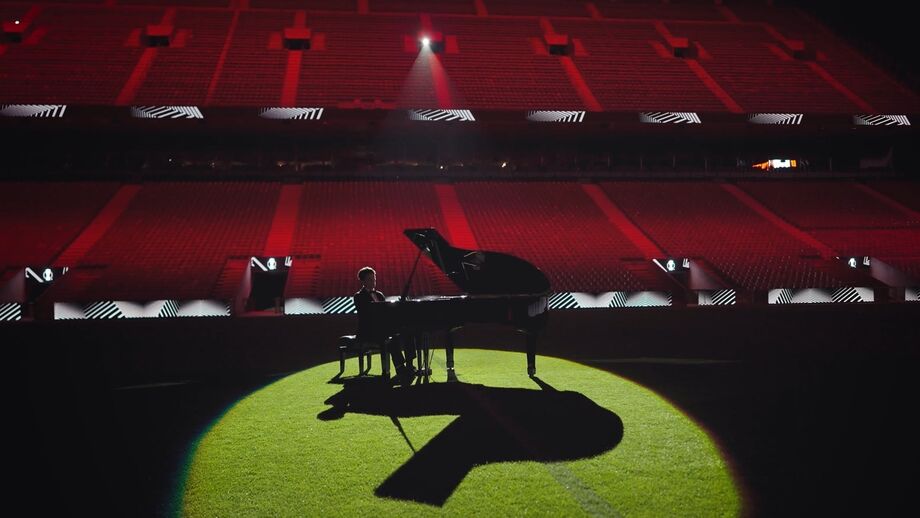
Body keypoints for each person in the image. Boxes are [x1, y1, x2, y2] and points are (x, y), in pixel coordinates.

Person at [354, 266, 416, 384]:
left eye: (374, 278)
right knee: (391, 338)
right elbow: (366, 316)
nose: (373, 281)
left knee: (408, 331)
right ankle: (400, 368)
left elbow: (387, 312)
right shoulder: (358, 296)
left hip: (383, 328)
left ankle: (409, 364)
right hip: (369, 330)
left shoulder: (380, 294)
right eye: (370, 279)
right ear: (363, 281)